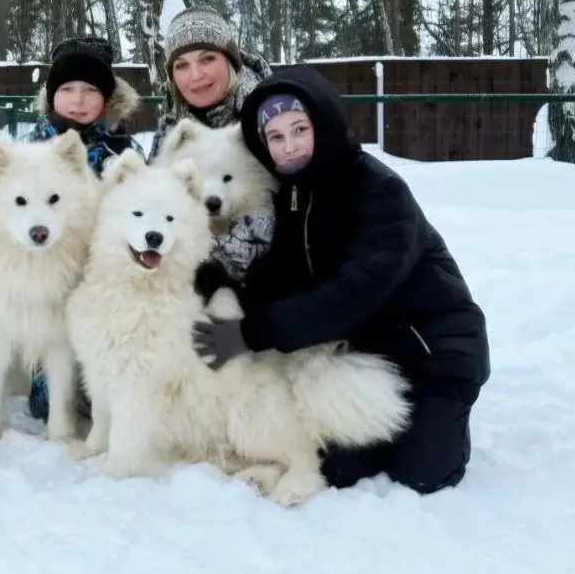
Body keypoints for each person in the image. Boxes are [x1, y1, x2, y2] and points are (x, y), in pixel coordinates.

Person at [191, 65, 491, 494]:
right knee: (340, 469)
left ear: (324, 122)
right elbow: (279, 278)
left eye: (300, 129)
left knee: (422, 474)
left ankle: (444, 416)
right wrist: (221, 284)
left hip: (435, 354)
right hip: (368, 358)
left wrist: (252, 332)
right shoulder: (293, 196)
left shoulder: (380, 191)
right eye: (275, 137)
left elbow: (354, 293)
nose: (290, 146)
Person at [24, 36, 144, 422]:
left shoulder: (123, 154)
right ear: (51, 95)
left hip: (105, 285)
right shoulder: (28, 152)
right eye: (67, 89)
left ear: (108, 98)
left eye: (91, 90)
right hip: (45, 286)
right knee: (48, 406)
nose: (78, 99)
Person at [148, 6, 275, 280]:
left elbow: (268, 213)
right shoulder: (172, 129)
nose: (195, 76)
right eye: (181, 65)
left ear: (230, 61)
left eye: (207, 59)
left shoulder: (271, 118)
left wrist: (206, 267)